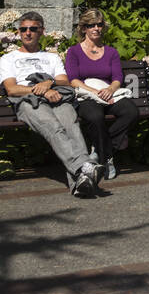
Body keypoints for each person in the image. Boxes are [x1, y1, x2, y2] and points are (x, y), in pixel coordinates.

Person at [0, 13, 99, 197]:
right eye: (23, 29)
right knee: (53, 127)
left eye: (33, 29)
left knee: (71, 125)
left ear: (42, 32)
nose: (27, 33)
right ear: (19, 32)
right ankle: (84, 168)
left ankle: (80, 183)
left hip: (55, 96)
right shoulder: (8, 59)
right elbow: (12, 89)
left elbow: (64, 82)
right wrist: (43, 90)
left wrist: (49, 84)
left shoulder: (51, 58)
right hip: (28, 100)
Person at [64, 9, 138, 182]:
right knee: (95, 117)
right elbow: (73, 79)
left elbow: (118, 77)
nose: (96, 28)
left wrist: (110, 90)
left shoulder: (111, 52)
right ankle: (107, 159)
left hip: (108, 93)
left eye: (99, 24)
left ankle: (100, 148)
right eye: (91, 25)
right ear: (83, 29)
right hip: (87, 95)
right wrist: (94, 92)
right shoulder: (74, 52)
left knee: (131, 112)